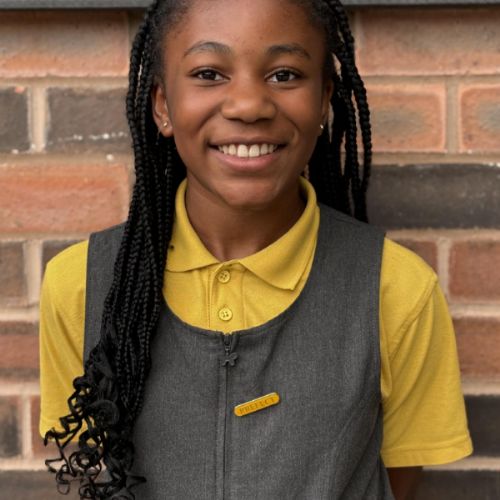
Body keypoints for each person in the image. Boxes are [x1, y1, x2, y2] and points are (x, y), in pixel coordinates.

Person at [39, 0, 473, 498]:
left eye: (285, 74)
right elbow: (90, 468)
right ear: (162, 105)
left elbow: (397, 481)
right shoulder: (83, 284)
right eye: (208, 73)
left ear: (324, 100)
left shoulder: (395, 289)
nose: (248, 105)